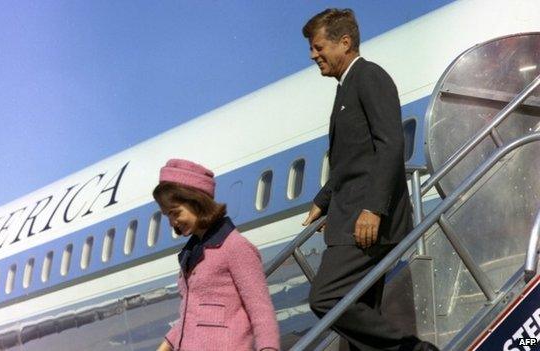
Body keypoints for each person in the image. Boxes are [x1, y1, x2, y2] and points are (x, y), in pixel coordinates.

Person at [300, 8, 438, 351]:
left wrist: (374, 209)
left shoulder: (369, 77)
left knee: (326, 297)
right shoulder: (345, 88)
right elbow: (353, 160)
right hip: (350, 215)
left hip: (365, 221)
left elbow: (391, 145)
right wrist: (324, 199)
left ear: (344, 42)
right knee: (361, 310)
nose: (313, 55)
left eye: (318, 47)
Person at [154, 159, 280, 351]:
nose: (172, 223)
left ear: (196, 203)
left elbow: (261, 311)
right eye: (168, 216)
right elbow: (195, 314)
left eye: (175, 213)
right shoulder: (192, 253)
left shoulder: (235, 247)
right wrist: (166, 345)